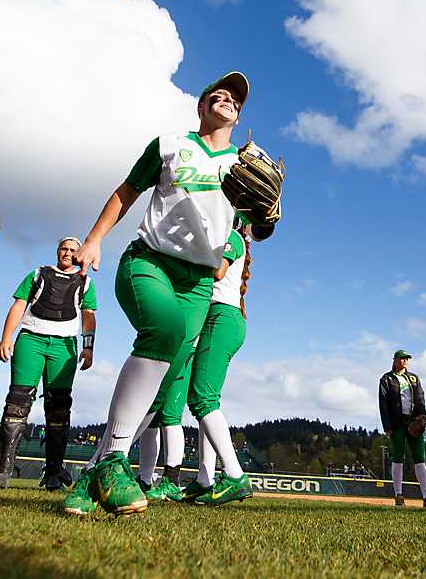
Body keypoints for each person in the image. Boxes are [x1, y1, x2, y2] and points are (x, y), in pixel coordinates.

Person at [62, 72, 266, 517]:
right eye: (219, 94)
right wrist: (94, 238)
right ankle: (115, 463)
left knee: (162, 381)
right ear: (201, 107)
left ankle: (95, 474)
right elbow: (127, 190)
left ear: (240, 115)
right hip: (149, 260)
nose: (228, 99)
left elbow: (255, 226)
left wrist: (266, 215)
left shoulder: (244, 164)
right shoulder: (171, 144)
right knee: (165, 330)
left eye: (236, 99)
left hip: (198, 284)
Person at [0, 236, 98, 491]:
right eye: (63, 248)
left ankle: (53, 472)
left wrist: (88, 347)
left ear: (79, 255)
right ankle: (2, 471)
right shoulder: (38, 275)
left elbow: (89, 316)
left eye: (73, 250)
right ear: (57, 251)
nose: (67, 253)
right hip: (31, 339)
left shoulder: (86, 283)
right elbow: (19, 305)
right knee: (17, 403)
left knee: (58, 408)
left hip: (63, 345)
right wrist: (6, 338)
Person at [182, 224, 257, 505]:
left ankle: (235, 475)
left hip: (221, 318)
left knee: (202, 398)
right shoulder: (229, 238)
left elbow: (217, 272)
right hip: (221, 318)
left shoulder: (232, 236)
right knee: (204, 401)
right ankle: (204, 479)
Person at [378, 349, 426, 508]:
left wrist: (423, 416)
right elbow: (383, 403)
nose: (404, 361)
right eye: (401, 358)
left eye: (406, 359)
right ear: (395, 360)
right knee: (398, 457)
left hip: (413, 422)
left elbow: (420, 397)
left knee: (420, 458)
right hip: (397, 423)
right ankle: (398, 495)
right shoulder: (387, 379)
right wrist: (387, 425)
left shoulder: (414, 378)